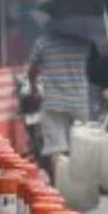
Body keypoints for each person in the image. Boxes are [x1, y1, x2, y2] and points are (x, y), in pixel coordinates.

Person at [27, 21, 92, 173]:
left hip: (53, 103)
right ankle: (77, 187)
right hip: (79, 103)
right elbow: (92, 69)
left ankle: (60, 189)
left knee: (57, 149)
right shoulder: (84, 43)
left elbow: (32, 71)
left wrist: (34, 89)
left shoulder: (42, 43)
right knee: (79, 148)